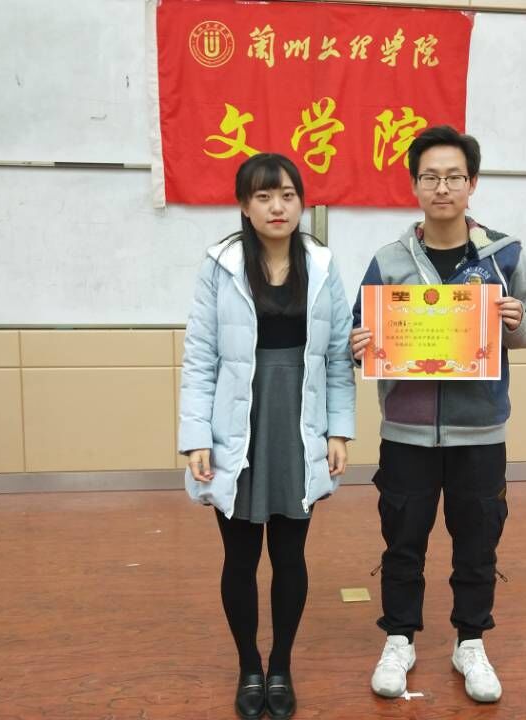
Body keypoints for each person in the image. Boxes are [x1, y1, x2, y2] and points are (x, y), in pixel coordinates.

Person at [350, 126, 526, 704]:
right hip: (406, 432)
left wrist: (517, 322)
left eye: (453, 177)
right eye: (430, 177)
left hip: (480, 431)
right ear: (414, 185)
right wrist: (359, 343)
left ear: (472, 184)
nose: (442, 187)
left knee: (478, 541)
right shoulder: (389, 261)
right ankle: (399, 639)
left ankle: (470, 642)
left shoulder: (503, 255)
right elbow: (356, 333)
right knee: (402, 541)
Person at [178, 153, 355, 720]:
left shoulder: (322, 264)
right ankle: (248, 668)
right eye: (263, 196)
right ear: (244, 206)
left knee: (290, 554)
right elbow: (200, 356)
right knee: (239, 556)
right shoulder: (221, 265)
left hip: (298, 423)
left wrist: (339, 430)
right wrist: (196, 436)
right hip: (236, 424)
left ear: (301, 201)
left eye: (287, 195)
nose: (277, 207)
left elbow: (337, 358)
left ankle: (280, 666)